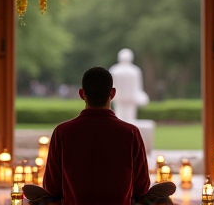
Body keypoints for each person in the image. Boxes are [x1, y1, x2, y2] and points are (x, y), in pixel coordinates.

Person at [42, 67, 151, 205]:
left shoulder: (62, 132)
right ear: (112, 93)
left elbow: (51, 188)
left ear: (82, 94)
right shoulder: (130, 132)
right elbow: (141, 188)